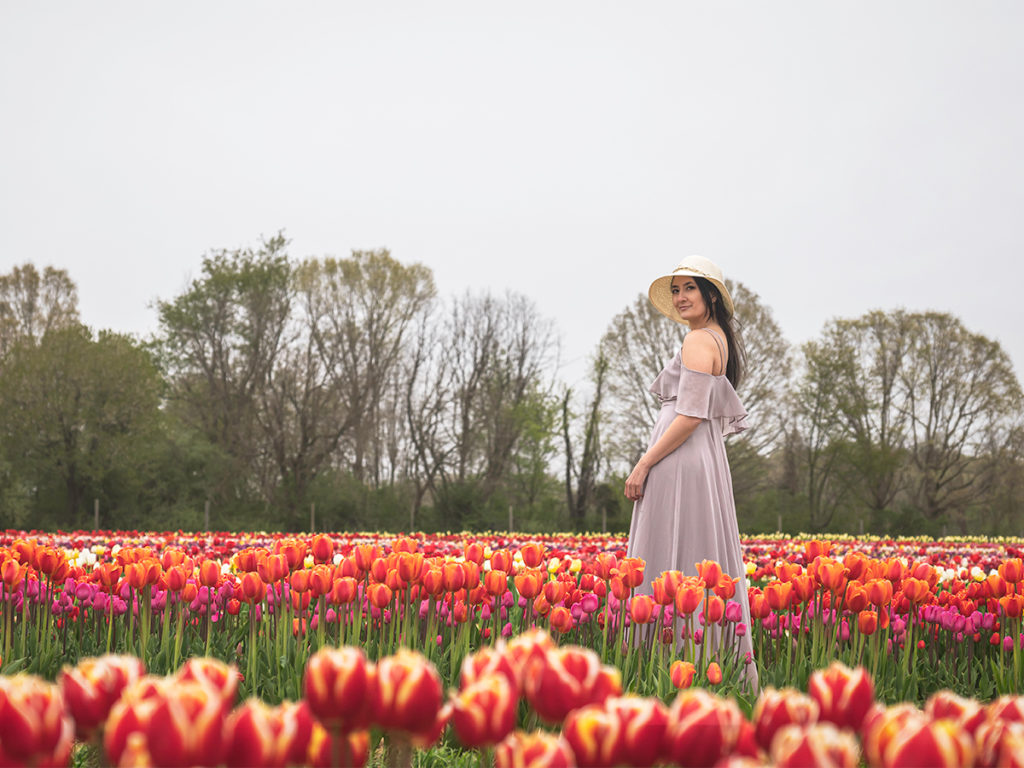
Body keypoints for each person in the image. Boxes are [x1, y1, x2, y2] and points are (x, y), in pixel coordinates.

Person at [624, 255, 758, 691]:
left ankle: (659, 671)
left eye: (690, 289)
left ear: (711, 296)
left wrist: (644, 462)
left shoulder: (700, 341)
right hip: (698, 457)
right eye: (676, 290)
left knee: (669, 550)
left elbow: (690, 415)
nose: (681, 298)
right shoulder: (715, 338)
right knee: (696, 551)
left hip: (679, 458)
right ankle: (703, 666)